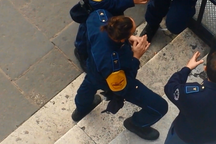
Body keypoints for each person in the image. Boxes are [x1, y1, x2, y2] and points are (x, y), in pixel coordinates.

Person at [71, 9, 168, 141]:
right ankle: (136, 124)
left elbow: (84, 35)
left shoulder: (98, 16)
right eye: (132, 32)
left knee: (88, 84)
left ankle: (81, 109)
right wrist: (136, 57)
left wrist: (129, 38)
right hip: (110, 79)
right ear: (121, 39)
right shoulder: (113, 63)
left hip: (93, 66)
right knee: (160, 107)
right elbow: (123, 87)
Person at [164, 50, 216, 144]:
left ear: (205, 69)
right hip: (212, 139)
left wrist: (187, 68)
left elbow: (170, 88)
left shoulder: (190, 94)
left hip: (183, 136)